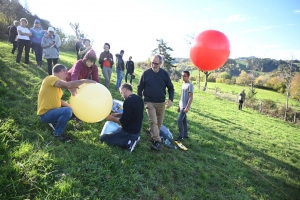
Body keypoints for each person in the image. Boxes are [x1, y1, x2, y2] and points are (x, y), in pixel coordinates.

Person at [37, 64, 96, 142]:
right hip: (45, 115)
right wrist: (83, 81)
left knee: (73, 110)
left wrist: (73, 108)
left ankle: (54, 122)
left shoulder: (56, 87)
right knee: (67, 111)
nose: (67, 74)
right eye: (66, 72)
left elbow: (59, 101)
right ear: (61, 71)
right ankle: (57, 134)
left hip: (53, 111)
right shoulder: (50, 78)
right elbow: (67, 85)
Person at [137, 54, 174, 151]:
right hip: (149, 101)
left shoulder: (164, 74)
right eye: (152, 63)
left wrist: (170, 99)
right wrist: (139, 99)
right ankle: (157, 142)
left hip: (161, 102)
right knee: (153, 121)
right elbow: (139, 87)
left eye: (156, 63)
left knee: (159, 123)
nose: (153, 65)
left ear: (160, 64)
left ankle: (153, 132)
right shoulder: (146, 74)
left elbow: (171, 88)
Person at [100, 83, 144, 152]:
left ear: (125, 89)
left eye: (121, 93)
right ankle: (135, 138)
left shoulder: (128, 101)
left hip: (128, 132)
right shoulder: (139, 99)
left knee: (103, 138)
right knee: (115, 131)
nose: (121, 95)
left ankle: (130, 142)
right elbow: (133, 114)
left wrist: (112, 119)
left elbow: (123, 121)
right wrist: (119, 114)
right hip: (136, 131)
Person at [177, 71, 194, 141]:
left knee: (179, 120)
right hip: (181, 105)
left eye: (184, 76)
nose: (183, 77)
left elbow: (191, 97)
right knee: (184, 120)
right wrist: (179, 105)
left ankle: (181, 136)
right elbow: (181, 95)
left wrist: (187, 107)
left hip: (185, 106)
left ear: (188, 77)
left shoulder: (190, 85)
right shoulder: (183, 84)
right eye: (182, 76)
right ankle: (186, 134)